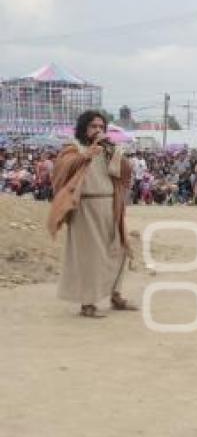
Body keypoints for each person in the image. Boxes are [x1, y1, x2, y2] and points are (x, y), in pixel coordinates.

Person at [47, 110, 137, 318]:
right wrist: (85, 156)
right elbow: (61, 170)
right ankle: (87, 303)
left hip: (110, 205)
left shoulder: (108, 149)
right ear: (83, 128)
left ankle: (116, 295)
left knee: (118, 249)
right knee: (90, 257)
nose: (97, 130)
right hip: (84, 207)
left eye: (101, 127)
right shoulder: (73, 148)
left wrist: (113, 152)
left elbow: (125, 172)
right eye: (93, 126)